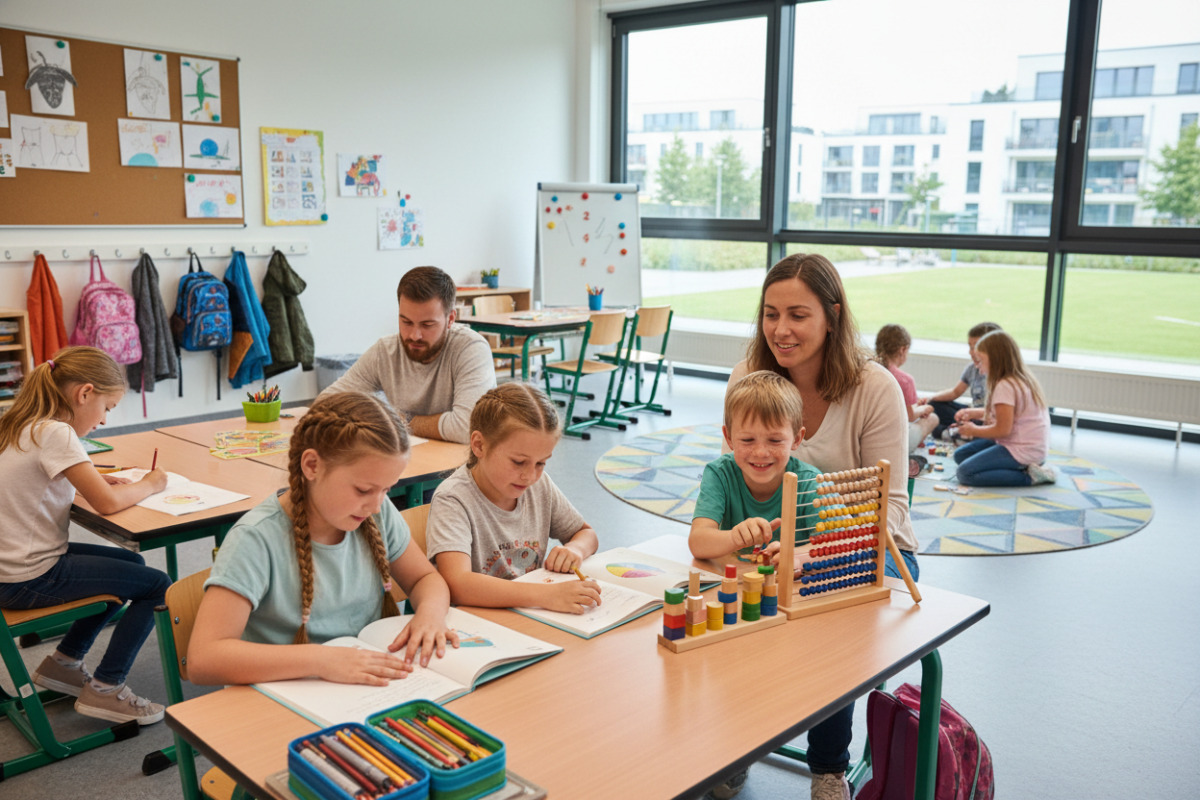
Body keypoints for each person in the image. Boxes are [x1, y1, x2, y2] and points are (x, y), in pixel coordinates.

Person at [726, 253, 918, 800]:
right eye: (770, 314)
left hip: (867, 550)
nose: (781, 330)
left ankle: (828, 764)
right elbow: (738, 478)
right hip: (773, 542)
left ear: (832, 316)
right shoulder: (748, 378)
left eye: (798, 315)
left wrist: (814, 537)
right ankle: (735, 743)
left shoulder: (873, 387)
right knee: (732, 601)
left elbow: (894, 511)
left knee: (827, 618)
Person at [187, 392, 459, 687]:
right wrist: (323, 660)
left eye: (387, 489)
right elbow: (204, 659)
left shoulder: (375, 515)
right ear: (312, 466)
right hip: (283, 696)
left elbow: (424, 579)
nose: (377, 505)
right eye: (363, 489)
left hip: (359, 686)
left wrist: (431, 614)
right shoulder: (255, 539)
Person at [0, 346, 170, 725]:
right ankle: (107, 689)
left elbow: (37, 481)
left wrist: (87, 477)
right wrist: (150, 484)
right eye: (107, 407)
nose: (105, 420)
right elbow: (108, 504)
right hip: (27, 576)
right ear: (84, 393)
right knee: (158, 585)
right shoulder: (56, 433)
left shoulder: (21, 421)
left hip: (9, 568)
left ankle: (65, 663)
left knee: (130, 564)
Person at [425, 382, 601, 613]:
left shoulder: (539, 485)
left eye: (541, 463)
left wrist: (576, 550)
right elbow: (458, 584)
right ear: (479, 445)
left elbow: (586, 533)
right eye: (518, 462)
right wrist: (547, 596)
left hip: (531, 615)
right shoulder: (453, 499)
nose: (530, 475)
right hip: (479, 624)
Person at [318, 266, 496, 443]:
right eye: (406, 322)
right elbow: (325, 403)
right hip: (411, 460)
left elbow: (469, 427)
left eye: (427, 325)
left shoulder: (471, 348)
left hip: (459, 464)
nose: (414, 335)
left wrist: (400, 421)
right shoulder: (385, 351)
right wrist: (382, 418)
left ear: (450, 319)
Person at [689, 370, 821, 562]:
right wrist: (734, 538)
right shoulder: (719, 474)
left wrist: (796, 556)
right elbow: (698, 542)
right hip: (737, 583)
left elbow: (839, 546)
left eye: (775, 440)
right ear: (729, 438)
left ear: (797, 438)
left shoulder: (811, 482)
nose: (760, 452)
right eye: (748, 439)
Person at [951, 330, 1055, 486]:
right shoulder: (1019, 378)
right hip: (1026, 446)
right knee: (961, 455)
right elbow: (1005, 416)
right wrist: (974, 413)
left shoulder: (1005, 386)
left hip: (1021, 449)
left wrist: (973, 430)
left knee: (965, 473)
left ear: (995, 360)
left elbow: (1002, 429)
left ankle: (1031, 477)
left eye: (980, 361)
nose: (977, 366)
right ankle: (1027, 466)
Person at [918, 321, 1002, 438]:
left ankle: (951, 433)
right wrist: (930, 398)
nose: (971, 352)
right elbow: (955, 392)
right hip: (973, 413)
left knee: (937, 429)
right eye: (970, 347)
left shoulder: (1002, 375)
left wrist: (973, 416)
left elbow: (998, 413)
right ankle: (957, 432)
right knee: (935, 404)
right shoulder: (972, 369)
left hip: (989, 418)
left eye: (976, 347)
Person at [875, 323, 938, 453]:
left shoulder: (867, 371)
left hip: (867, 435)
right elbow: (910, 416)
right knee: (933, 418)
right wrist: (924, 408)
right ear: (902, 350)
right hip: (892, 443)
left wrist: (916, 407)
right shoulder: (904, 380)